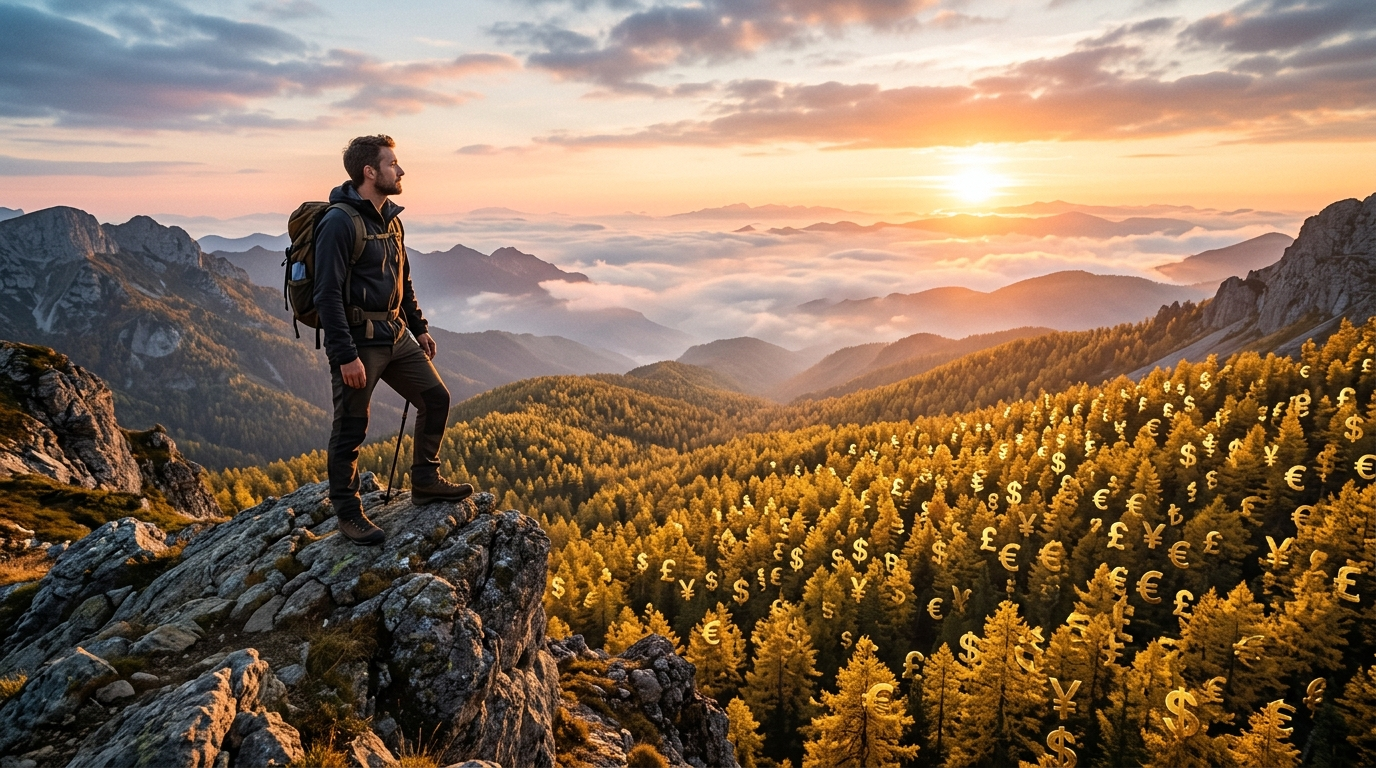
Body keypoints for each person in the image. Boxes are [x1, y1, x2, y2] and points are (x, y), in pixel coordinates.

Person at [314, 134, 472, 545]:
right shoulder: (338, 223)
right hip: (359, 342)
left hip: (396, 334)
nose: (400, 171)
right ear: (370, 172)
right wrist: (345, 355)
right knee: (351, 427)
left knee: (435, 398)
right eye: (392, 164)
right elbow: (326, 294)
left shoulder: (391, 219)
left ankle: (425, 480)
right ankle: (348, 513)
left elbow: (404, 280)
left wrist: (418, 326)